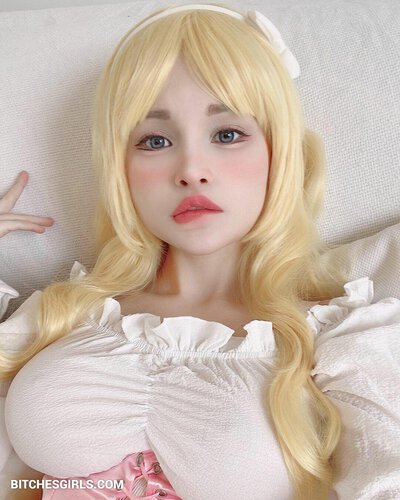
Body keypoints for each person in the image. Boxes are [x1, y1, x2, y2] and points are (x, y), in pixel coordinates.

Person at [1, 3, 399, 500]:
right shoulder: (69, 312)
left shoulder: (341, 341)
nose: (191, 169)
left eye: (227, 134)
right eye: (155, 140)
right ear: (121, 170)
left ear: (278, 153)